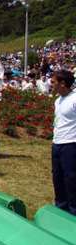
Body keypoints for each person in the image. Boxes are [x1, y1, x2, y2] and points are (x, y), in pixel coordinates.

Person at [51, 70, 76, 215]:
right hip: (57, 143)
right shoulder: (58, 100)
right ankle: (61, 208)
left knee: (71, 178)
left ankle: (73, 211)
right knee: (57, 177)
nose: (51, 84)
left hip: (71, 144)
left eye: (53, 82)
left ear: (63, 83)